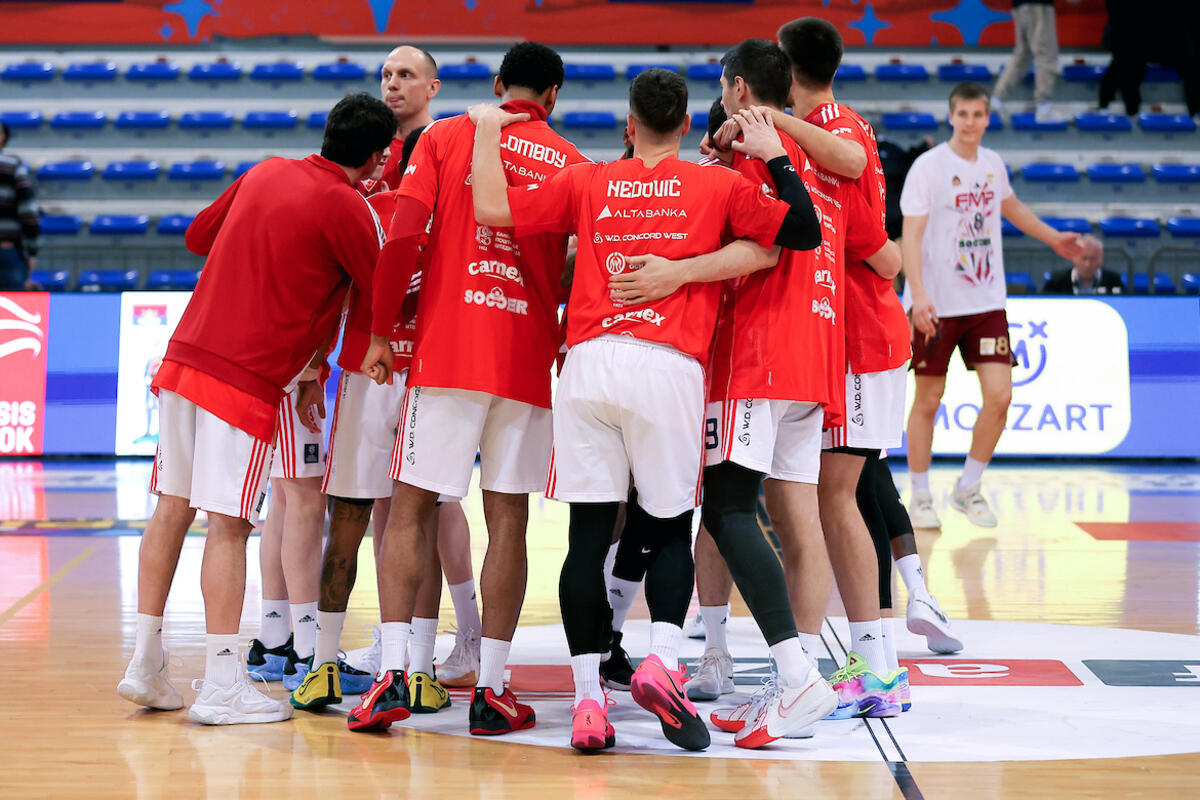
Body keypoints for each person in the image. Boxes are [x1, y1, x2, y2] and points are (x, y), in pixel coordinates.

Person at [476, 66, 841, 752]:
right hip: (669, 366)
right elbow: (799, 232)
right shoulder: (715, 184)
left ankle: (588, 703)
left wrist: (487, 130)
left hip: (588, 363)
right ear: (685, 125)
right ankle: (663, 660)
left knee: (587, 539)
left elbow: (492, 208)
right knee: (671, 526)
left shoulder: (587, 180)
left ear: (629, 124)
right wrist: (774, 157)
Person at [116, 92, 396, 725]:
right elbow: (383, 292)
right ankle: (221, 686)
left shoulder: (265, 170)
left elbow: (197, 236)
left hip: (183, 360)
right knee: (229, 526)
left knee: (170, 511)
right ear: (379, 158)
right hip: (242, 381)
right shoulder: (349, 206)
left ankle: (146, 663)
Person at [352, 42, 589, 736]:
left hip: (449, 348)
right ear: (553, 97)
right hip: (524, 359)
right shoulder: (573, 162)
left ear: (497, 84)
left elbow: (404, 237)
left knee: (410, 509)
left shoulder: (446, 135)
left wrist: (379, 331)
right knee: (508, 518)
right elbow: (575, 270)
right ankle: (492, 689)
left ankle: (395, 675)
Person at [902, 82, 1083, 530]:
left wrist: (1054, 239)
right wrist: (918, 294)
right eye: (962, 114)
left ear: (987, 118)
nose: (970, 122)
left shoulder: (992, 164)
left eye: (977, 114)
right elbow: (912, 236)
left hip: (985, 301)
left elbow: (1013, 209)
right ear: (951, 117)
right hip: (936, 303)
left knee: (1001, 396)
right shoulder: (928, 167)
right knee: (929, 399)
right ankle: (920, 495)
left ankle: (968, 487)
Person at [362, 46, 440, 195]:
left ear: (432, 88)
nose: (392, 84)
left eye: (405, 75)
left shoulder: (447, 148)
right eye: (387, 75)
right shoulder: (363, 147)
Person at [991, 0, 1060, 121]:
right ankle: (1044, 109)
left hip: (1020, 5)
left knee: (1023, 55)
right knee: (1046, 54)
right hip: (1039, 6)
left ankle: (997, 101)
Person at [0, 123, 38, 291]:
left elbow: (28, 211)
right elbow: (29, 211)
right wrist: (31, 251)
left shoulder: (12, 166)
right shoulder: (13, 166)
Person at [1042, 234, 1124, 295]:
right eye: (1084, 258)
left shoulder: (1114, 281)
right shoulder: (1056, 282)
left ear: (1101, 257)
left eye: (1093, 259)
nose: (1088, 264)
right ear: (1073, 256)